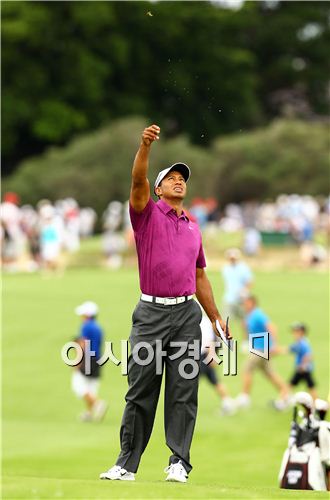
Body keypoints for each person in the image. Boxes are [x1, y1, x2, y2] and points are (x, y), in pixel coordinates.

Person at [100, 124, 231, 483]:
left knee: (183, 390)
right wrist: (144, 146)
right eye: (170, 178)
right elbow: (137, 180)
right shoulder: (146, 214)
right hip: (151, 314)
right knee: (141, 388)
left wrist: (216, 317)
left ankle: (179, 462)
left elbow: (200, 276)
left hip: (187, 315)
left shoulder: (192, 225)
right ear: (158, 189)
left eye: (182, 178)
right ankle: (127, 464)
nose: (178, 181)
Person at [236, 295, 288, 409]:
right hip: (258, 348)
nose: (244, 305)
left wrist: (274, 345)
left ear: (252, 303)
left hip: (261, 348)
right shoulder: (249, 316)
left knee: (246, 369)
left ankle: (244, 397)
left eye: (246, 302)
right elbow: (248, 331)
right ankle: (286, 393)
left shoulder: (258, 314)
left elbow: (272, 327)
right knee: (270, 373)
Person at [72, 301, 108, 422]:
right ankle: (89, 413)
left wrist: (77, 362)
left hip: (88, 359)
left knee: (78, 385)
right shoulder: (98, 328)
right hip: (97, 359)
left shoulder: (86, 326)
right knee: (91, 388)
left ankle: (98, 404)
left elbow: (83, 344)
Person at [199, 308, 236, 415]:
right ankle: (228, 402)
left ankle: (228, 403)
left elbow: (209, 340)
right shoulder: (204, 321)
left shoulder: (203, 322)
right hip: (201, 356)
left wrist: (211, 356)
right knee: (214, 380)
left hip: (203, 356)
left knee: (190, 382)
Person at [287, 323, 317, 399]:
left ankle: (283, 402)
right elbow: (288, 349)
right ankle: (283, 401)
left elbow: (309, 355)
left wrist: (302, 365)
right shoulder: (299, 343)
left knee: (310, 386)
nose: (293, 334)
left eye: (295, 332)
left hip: (303, 369)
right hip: (303, 369)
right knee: (310, 386)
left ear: (301, 332)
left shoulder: (303, 343)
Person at [222, 248, 253, 320]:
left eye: (234, 258)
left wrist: (245, 291)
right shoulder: (225, 268)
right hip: (229, 298)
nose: (232, 260)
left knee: (246, 321)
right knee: (226, 321)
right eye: (231, 258)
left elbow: (249, 281)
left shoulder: (243, 268)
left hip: (242, 299)